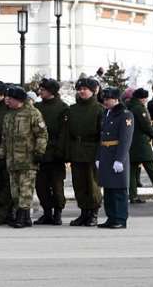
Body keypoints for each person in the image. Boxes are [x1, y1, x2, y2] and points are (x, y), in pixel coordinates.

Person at [0, 85, 48, 228]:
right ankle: (23, 216)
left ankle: (22, 215)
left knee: (26, 189)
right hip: (12, 160)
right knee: (15, 191)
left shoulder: (33, 113)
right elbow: (5, 138)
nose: (8, 101)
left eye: (11, 99)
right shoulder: (9, 115)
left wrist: (39, 152)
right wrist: (2, 155)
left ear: (19, 100)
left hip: (27, 159)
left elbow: (42, 134)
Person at [65, 77, 103, 227]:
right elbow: (68, 133)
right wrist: (67, 152)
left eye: (84, 89)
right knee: (79, 184)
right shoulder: (73, 110)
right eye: (79, 89)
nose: (81, 92)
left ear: (93, 91)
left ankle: (93, 213)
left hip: (92, 150)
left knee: (92, 183)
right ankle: (83, 212)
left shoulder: (99, 109)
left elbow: (102, 134)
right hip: (77, 150)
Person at [97, 87, 134, 229]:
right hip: (106, 154)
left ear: (116, 99)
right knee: (109, 188)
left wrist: (120, 159)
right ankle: (111, 217)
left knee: (119, 189)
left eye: (107, 99)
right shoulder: (106, 113)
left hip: (116, 154)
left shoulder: (125, 115)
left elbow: (125, 138)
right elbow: (102, 136)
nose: (105, 101)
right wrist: (98, 156)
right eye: (104, 99)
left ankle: (120, 218)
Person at [35, 78, 68, 225]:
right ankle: (47, 211)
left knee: (56, 184)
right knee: (41, 184)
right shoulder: (37, 108)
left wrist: (60, 151)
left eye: (42, 90)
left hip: (55, 151)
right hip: (40, 151)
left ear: (51, 91)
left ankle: (58, 212)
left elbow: (64, 132)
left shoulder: (62, 108)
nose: (40, 92)